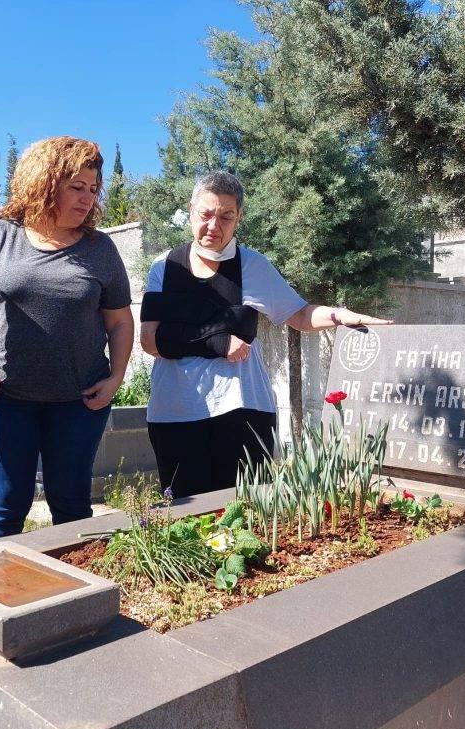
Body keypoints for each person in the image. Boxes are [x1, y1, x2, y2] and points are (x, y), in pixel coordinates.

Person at [140, 171, 391, 498]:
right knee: (185, 518)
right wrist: (218, 343)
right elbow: (151, 341)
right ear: (190, 210)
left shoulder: (252, 265)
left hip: (243, 409)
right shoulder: (165, 267)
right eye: (206, 214)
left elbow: (299, 314)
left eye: (226, 216)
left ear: (238, 218)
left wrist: (339, 315)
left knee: (246, 512)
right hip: (174, 414)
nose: (214, 225)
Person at [0, 136, 133, 539]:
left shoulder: (100, 249)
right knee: (4, 509)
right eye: (76, 187)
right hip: (4, 399)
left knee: (72, 506)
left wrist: (116, 378)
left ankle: (76, 581)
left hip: (80, 403)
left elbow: (119, 321)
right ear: (44, 182)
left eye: (93, 189)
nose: (87, 198)